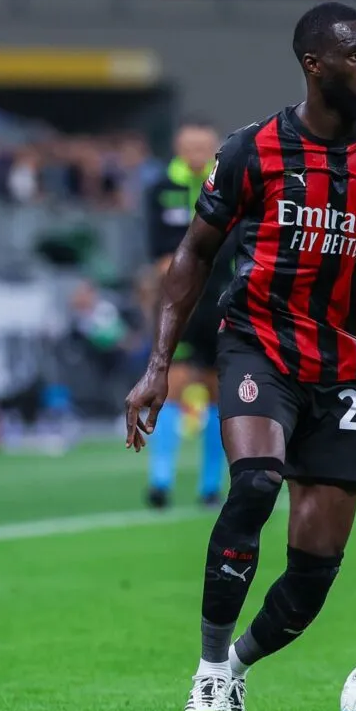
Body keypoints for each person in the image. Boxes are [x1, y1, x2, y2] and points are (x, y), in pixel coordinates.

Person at [122, 1, 356, 711]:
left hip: (344, 366)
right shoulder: (253, 150)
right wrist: (158, 363)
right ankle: (208, 672)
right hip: (257, 343)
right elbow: (193, 252)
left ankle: (238, 665)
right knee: (256, 481)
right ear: (313, 65)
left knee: (315, 567)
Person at [143, 117, 228, 509]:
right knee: (171, 385)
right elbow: (157, 252)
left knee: (217, 391)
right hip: (179, 303)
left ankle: (210, 486)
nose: (196, 155)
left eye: (203, 148)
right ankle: (160, 482)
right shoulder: (161, 188)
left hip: (221, 300)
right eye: (190, 147)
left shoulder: (229, 185)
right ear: (178, 148)